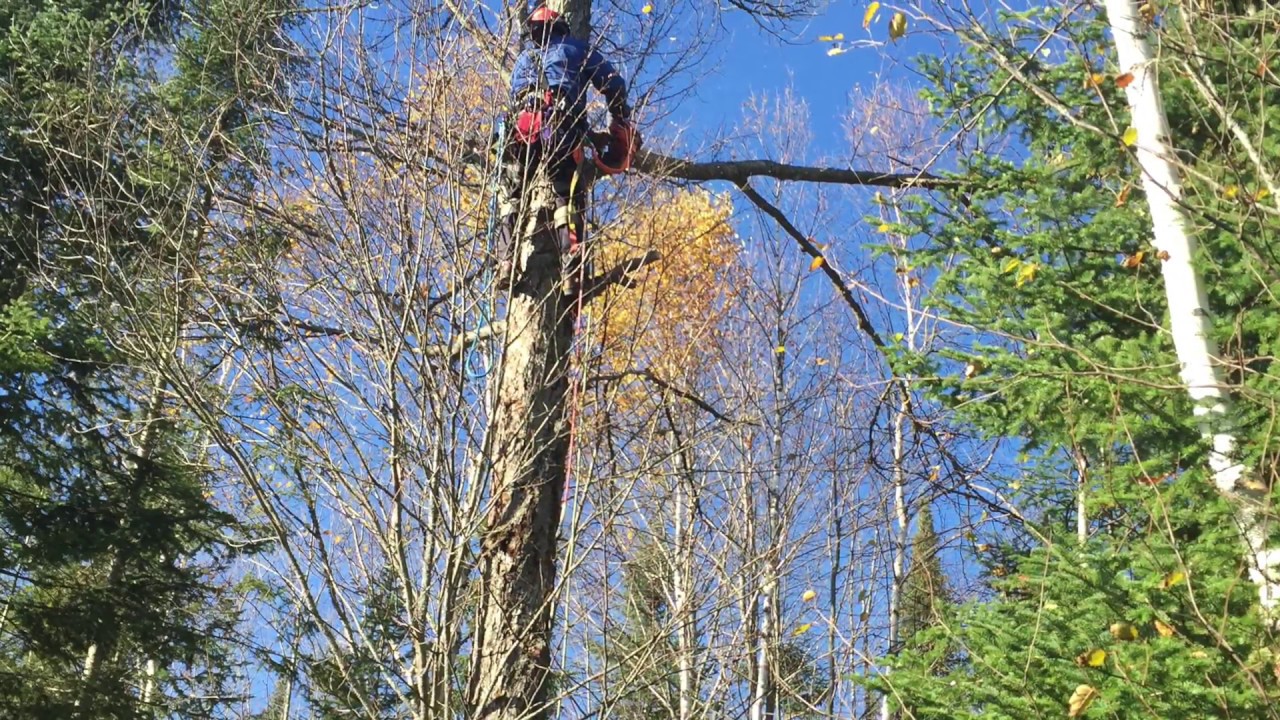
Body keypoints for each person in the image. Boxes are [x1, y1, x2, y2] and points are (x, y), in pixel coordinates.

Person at [495, 4, 639, 285]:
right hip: (559, 129)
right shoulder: (576, 49)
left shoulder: (523, 61)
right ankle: (572, 270)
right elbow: (615, 84)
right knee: (567, 196)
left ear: (535, 33)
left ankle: (506, 263)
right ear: (561, 27)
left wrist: (589, 133)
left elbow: (529, 100)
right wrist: (618, 122)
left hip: (521, 130)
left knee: (511, 196)